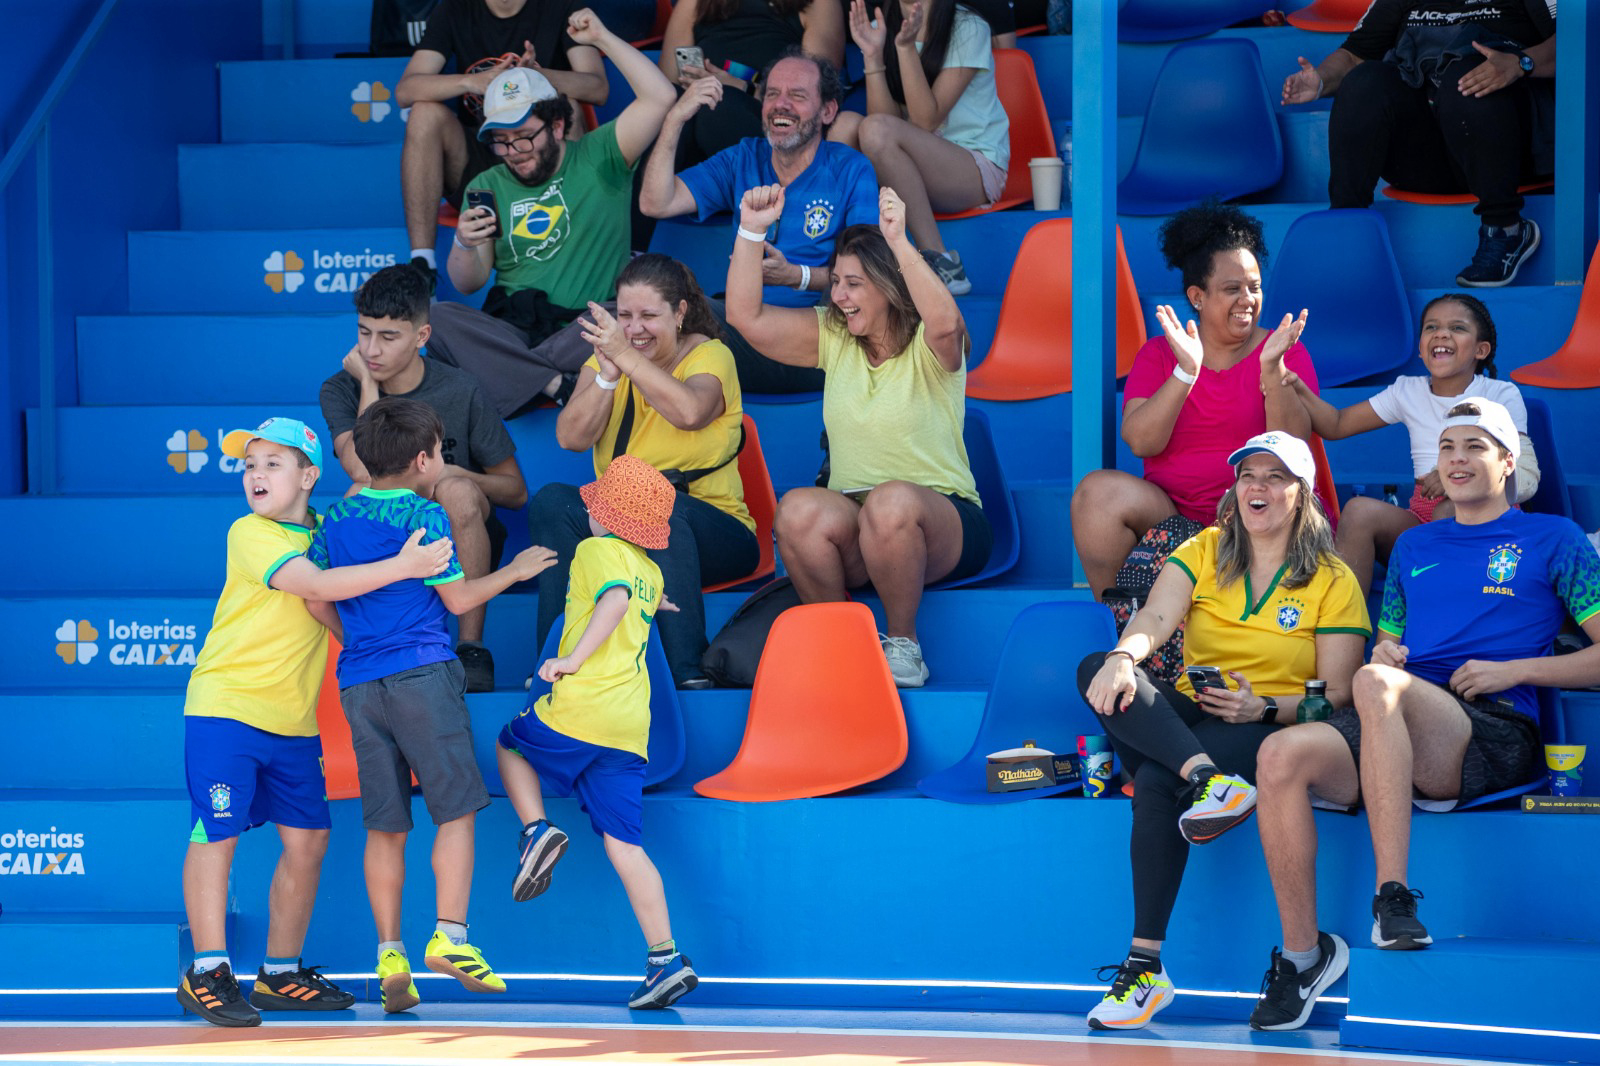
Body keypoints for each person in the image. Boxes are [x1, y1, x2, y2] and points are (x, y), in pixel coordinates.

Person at [1250, 400, 1600, 1031]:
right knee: (1279, 756)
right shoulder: (1414, 545)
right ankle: (1304, 958)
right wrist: (1385, 649)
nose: (1457, 460)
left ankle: (1392, 898)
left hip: (1491, 728)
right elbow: (1389, 645)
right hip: (1395, 709)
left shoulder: (1555, 538)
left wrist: (1517, 670)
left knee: (1377, 684)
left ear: (1507, 461)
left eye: (1474, 446)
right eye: (1447, 448)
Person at [1076, 431, 1369, 1032]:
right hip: (1190, 715)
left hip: (1267, 725)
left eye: (1273, 477)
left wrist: (1260, 707)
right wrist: (1126, 656)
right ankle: (1208, 781)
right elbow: (1156, 617)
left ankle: (1145, 966)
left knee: (1158, 778)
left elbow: (1338, 694)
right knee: (1096, 668)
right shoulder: (1207, 546)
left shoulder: (1333, 578)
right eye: (1247, 476)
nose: (1256, 487)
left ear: (1302, 494)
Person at [178, 418, 454, 1028]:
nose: (256, 474)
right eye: (250, 465)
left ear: (308, 475)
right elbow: (318, 585)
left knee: (308, 841)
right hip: (227, 708)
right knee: (215, 833)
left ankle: (279, 973)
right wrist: (406, 566)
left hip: (294, 721)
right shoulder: (249, 533)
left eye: (273, 463)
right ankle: (206, 971)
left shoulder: (327, 530)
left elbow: (338, 605)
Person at [307, 396, 558, 1014]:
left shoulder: (333, 518)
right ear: (422, 460)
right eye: (442, 453)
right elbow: (457, 599)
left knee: (385, 826)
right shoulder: (427, 514)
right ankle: (451, 937)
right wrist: (516, 571)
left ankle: (389, 950)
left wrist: (359, 644)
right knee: (457, 811)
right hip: (421, 676)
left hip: (358, 686)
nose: (443, 462)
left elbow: (316, 601)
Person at [725, 184, 992, 687]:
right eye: (838, 284)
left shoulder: (929, 344)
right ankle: (842, 643)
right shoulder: (834, 335)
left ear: (889, 288)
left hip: (943, 523)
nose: (839, 296)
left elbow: (947, 321)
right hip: (858, 522)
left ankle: (903, 647)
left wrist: (898, 241)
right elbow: (746, 318)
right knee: (799, 510)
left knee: (890, 504)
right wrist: (751, 230)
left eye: (853, 284)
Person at [498, 455, 700, 1011]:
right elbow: (634, 596)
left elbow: (612, 600)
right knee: (625, 844)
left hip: (584, 707)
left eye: (595, 503)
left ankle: (536, 831)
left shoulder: (593, 550)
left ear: (606, 516)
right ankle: (665, 958)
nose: (587, 508)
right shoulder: (650, 569)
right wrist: (656, 601)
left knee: (511, 744)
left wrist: (570, 661)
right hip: (630, 728)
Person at [425, 12, 677, 417]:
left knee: (627, 321)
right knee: (436, 319)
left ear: (557, 125)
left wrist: (602, 37)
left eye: (524, 137)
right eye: (501, 142)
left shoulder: (602, 156)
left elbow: (661, 97)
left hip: (586, 326)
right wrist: (463, 243)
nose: (514, 152)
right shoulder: (486, 185)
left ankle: (515, 373)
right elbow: (468, 283)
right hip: (515, 326)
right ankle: (554, 381)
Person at [1070, 201, 1320, 602]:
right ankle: (1123, 629)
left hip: (1258, 512)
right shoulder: (1160, 354)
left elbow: (1294, 448)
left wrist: (1272, 372)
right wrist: (1185, 372)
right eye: (1231, 289)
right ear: (1197, 296)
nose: (1247, 299)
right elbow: (1141, 442)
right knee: (1095, 495)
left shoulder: (1283, 350)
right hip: (1172, 519)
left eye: (1254, 287)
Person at [532, 254, 758, 687]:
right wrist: (607, 377)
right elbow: (570, 438)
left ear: (680, 313)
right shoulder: (608, 361)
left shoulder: (711, 354)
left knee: (661, 507)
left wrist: (626, 359)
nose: (633, 329)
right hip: (618, 524)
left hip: (714, 529)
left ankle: (687, 671)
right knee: (553, 502)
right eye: (624, 316)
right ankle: (556, 661)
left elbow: (690, 411)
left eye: (648, 316)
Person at [321, 263, 527, 693]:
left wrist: (453, 473)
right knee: (359, 492)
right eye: (364, 333)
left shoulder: (459, 388)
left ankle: (471, 648)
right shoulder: (342, 388)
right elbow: (362, 468)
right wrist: (369, 389)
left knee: (453, 489)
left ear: (422, 337)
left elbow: (515, 490)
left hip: (458, 526)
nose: (371, 349)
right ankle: (378, 642)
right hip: (395, 541)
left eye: (389, 336)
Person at [639, 50, 879, 394]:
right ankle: (558, 380)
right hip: (741, 328)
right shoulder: (743, 157)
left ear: (828, 111)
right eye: (772, 94)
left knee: (652, 322)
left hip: (816, 341)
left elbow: (869, 279)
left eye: (797, 96)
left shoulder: (850, 169)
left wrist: (797, 277)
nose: (781, 104)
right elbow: (655, 202)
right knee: (637, 313)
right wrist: (675, 119)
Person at [1280, 0, 1556, 288]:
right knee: (1364, 81)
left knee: (1466, 73)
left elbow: (1577, 39)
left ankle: (1505, 230)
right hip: (1431, 156)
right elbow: (1354, 56)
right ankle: (1347, 233)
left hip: (1507, 151)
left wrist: (1521, 63)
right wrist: (1322, 80)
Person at [1285, 293, 1540, 596]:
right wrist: (1296, 386)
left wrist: (1461, 480)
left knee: (1448, 512)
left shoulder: (1501, 394)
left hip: (1489, 520)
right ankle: (1343, 625)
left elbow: (1527, 475)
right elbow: (1336, 424)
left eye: (1457, 328)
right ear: (1420, 348)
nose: (1441, 334)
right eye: (1431, 327)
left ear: (1481, 350)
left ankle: (1445, 613)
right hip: (1423, 516)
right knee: (1358, 511)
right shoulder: (1407, 390)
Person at [396, 0, 609, 276]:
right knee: (423, 112)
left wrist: (537, 78)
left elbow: (598, 87)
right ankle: (422, 267)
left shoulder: (562, 5)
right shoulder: (453, 8)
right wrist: (471, 81)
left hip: (543, 160)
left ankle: (573, 244)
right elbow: (405, 91)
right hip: (481, 160)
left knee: (569, 107)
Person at [833, 0, 1011, 295]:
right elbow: (883, 125)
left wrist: (904, 48)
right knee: (845, 126)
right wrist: (874, 57)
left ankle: (941, 261)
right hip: (911, 166)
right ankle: (841, 258)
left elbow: (925, 120)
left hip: (972, 167)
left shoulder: (968, 27)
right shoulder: (881, 27)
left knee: (874, 130)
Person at [658, 0, 845, 166]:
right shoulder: (694, 3)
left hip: (766, 116)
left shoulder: (817, 3)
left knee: (718, 104)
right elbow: (668, 81)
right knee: (667, 115)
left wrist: (742, 87)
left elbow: (817, 92)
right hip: (697, 106)